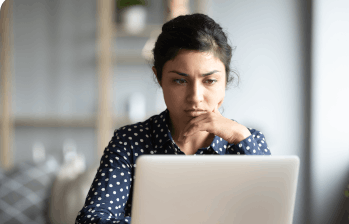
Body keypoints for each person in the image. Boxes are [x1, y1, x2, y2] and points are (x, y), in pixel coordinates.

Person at [75, 13, 271, 224]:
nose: (195, 97)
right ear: (159, 78)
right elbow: (92, 219)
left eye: (210, 81)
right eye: (180, 80)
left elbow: (272, 216)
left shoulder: (247, 141)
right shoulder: (129, 142)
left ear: (225, 81)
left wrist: (240, 135)